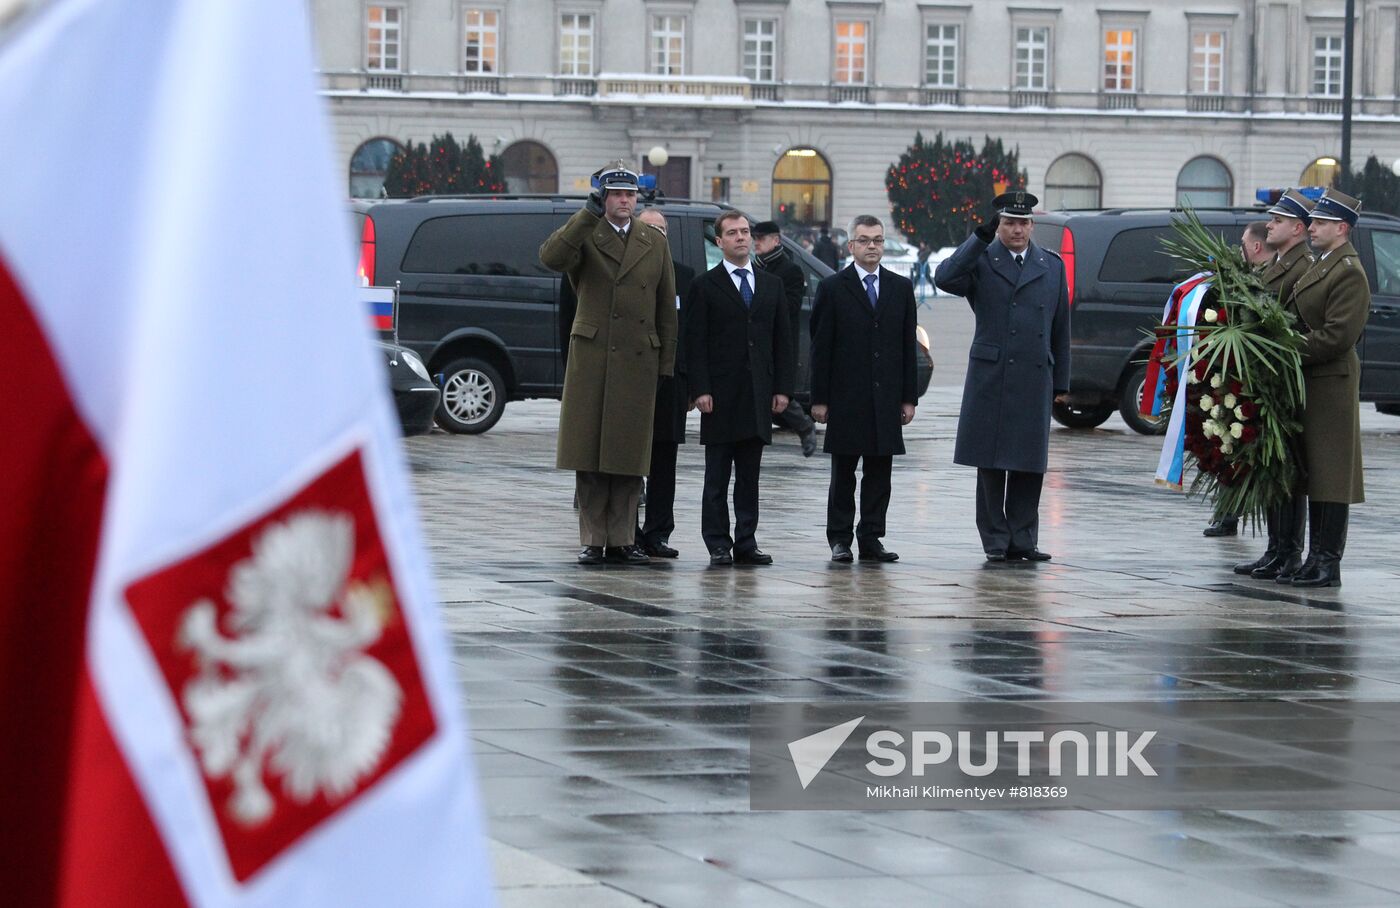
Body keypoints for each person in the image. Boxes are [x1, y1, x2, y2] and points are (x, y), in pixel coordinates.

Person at [539, 161, 677, 565]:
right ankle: (593, 538)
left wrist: (665, 361)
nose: (623, 201)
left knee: (629, 458)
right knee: (591, 454)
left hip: (637, 358)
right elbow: (550, 257)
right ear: (603, 197)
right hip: (596, 357)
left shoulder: (654, 240)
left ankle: (621, 539)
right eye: (616, 194)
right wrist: (586, 213)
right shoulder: (586, 234)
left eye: (630, 195)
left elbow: (665, 306)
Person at [934, 191, 1070, 562]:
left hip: (1034, 375)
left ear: (1032, 226)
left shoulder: (1051, 265)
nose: (1017, 229)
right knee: (991, 464)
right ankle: (995, 539)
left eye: (1023, 223)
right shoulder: (982, 261)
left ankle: (1023, 539)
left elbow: (1061, 327)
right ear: (999, 225)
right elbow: (944, 277)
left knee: (1029, 463)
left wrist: (1062, 383)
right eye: (1009, 222)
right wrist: (978, 239)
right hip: (993, 375)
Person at [685, 211, 795, 565]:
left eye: (745, 232)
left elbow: (783, 342)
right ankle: (718, 542)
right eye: (732, 233)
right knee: (717, 476)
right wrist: (700, 388)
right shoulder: (705, 285)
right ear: (719, 242)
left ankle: (746, 541)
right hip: (719, 395)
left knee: (750, 477)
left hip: (757, 394)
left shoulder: (770, 285)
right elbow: (695, 342)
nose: (741, 238)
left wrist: (782, 389)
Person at [809, 214, 919, 563]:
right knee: (843, 474)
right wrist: (820, 399)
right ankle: (840, 539)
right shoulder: (832, 288)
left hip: (885, 397)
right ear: (850, 246)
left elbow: (907, 346)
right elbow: (820, 348)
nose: (872, 246)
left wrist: (908, 398)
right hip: (846, 398)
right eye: (864, 240)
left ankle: (871, 537)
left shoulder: (900, 288)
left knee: (879, 474)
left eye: (877, 240)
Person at [1282, 189, 1368, 588]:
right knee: (1315, 470)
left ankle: (1327, 561)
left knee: (1331, 472)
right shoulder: (1325, 263)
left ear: (1341, 228)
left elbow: (1338, 335)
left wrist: (1285, 348)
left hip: (1331, 380)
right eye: (1312, 222)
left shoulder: (1348, 269)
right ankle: (1314, 557)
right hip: (1313, 379)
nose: (1311, 228)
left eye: (1319, 223)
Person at [1232, 195, 1316, 578]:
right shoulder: (1278, 263)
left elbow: (1295, 321)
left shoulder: (1304, 267)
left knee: (1287, 470)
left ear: (1298, 228)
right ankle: (1276, 549)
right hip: (1266, 379)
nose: (1269, 225)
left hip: (1284, 380)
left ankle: (1289, 551)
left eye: (1278, 220)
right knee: (1272, 466)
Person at [1204, 220, 1274, 538]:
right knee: (1228, 439)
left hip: (1258, 380)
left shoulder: (1264, 280)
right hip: (1235, 374)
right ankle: (1228, 511)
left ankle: (1235, 512)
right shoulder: (1238, 278)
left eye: (1243, 243)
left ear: (1256, 247)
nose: (1238, 249)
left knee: (1241, 440)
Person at [633, 208, 694, 558]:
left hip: (671, 382)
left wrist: (690, 383)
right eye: (648, 228)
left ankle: (658, 533)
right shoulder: (626, 274)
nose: (656, 233)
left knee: (664, 461)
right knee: (629, 460)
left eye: (662, 229)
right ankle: (628, 531)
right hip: (633, 380)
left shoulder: (684, 276)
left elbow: (691, 333)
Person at [752, 219, 819, 457]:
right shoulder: (755, 266)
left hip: (779, 341)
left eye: (761, 238)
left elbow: (788, 308)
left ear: (776, 240)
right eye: (755, 239)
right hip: (756, 340)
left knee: (777, 391)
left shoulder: (789, 270)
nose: (756, 243)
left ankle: (804, 425)